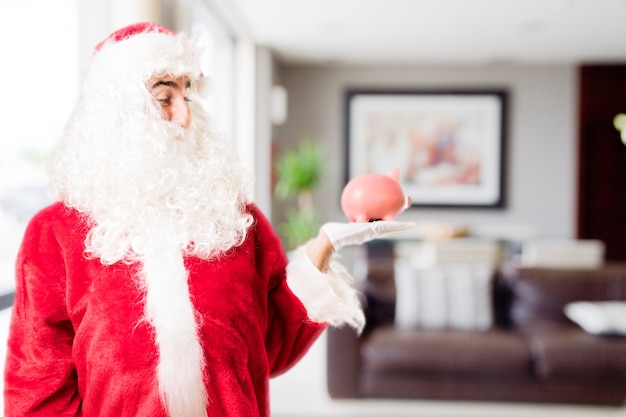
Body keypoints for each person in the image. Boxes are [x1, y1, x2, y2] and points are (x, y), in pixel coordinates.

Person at [3, 22, 411, 417]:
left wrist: (322, 248)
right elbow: (38, 388)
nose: (184, 117)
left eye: (188, 97)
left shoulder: (234, 221)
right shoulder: (54, 234)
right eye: (165, 99)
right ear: (116, 113)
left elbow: (268, 350)